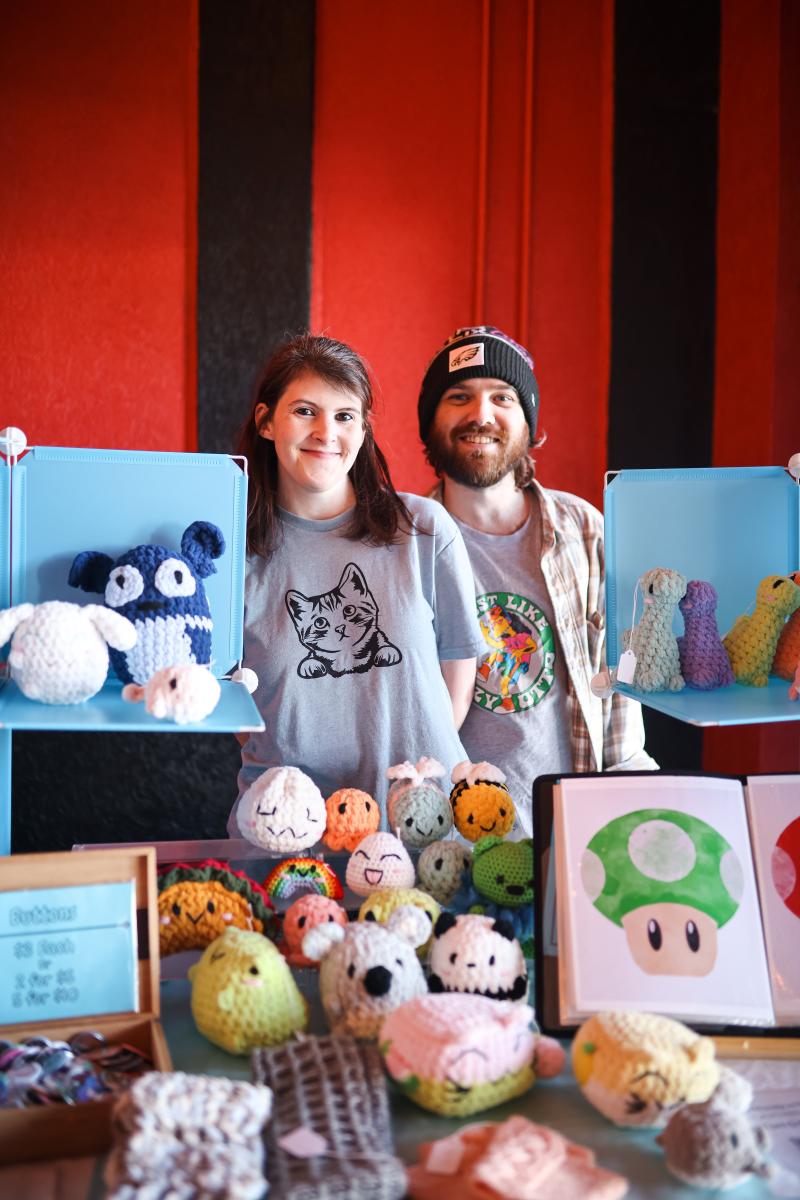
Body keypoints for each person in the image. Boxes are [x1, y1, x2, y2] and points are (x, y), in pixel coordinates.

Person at [230, 333, 483, 828]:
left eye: (345, 416)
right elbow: (240, 716)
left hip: (426, 829)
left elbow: (458, 675)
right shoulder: (235, 554)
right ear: (266, 422)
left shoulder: (423, 528)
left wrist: (415, 778)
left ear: (363, 430)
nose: (326, 432)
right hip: (290, 830)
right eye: (305, 411)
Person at [417, 325, 657, 836]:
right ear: (430, 422)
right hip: (445, 847)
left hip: (572, 837)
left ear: (528, 421)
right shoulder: (403, 543)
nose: (481, 414)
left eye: (502, 397)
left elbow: (621, 707)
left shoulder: (584, 529)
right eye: (459, 397)